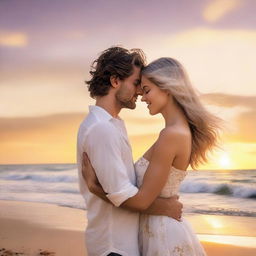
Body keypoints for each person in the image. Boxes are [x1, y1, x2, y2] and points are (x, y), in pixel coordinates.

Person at [83, 57, 221, 255]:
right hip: (156, 229)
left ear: (167, 88)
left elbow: (141, 201)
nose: (142, 97)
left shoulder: (171, 135)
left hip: (162, 234)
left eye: (147, 90)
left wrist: (94, 188)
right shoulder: (176, 132)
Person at [77, 47, 183, 256]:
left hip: (121, 244)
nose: (139, 91)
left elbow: (119, 189)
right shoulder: (101, 129)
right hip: (113, 247)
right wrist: (166, 208)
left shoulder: (112, 125)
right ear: (115, 81)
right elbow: (122, 195)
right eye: (136, 83)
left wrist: (95, 187)